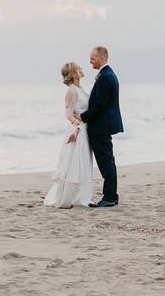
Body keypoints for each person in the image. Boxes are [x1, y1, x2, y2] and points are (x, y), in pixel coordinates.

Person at [44, 62, 94, 208]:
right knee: (74, 163)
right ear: (73, 74)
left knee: (84, 163)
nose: (81, 69)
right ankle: (69, 197)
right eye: (78, 68)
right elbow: (69, 114)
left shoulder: (80, 88)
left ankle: (82, 195)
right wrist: (77, 127)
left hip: (85, 129)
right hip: (77, 131)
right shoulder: (71, 91)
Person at [81, 46, 124, 208]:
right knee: (108, 161)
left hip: (101, 126)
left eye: (93, 58)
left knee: (106, 163)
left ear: (102, 58)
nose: (90, 61)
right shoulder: (107, 74)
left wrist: (83, 117)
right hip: (103, 125)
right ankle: (111, 196)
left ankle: (109, 197)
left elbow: (100, 104)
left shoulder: (106, 76)